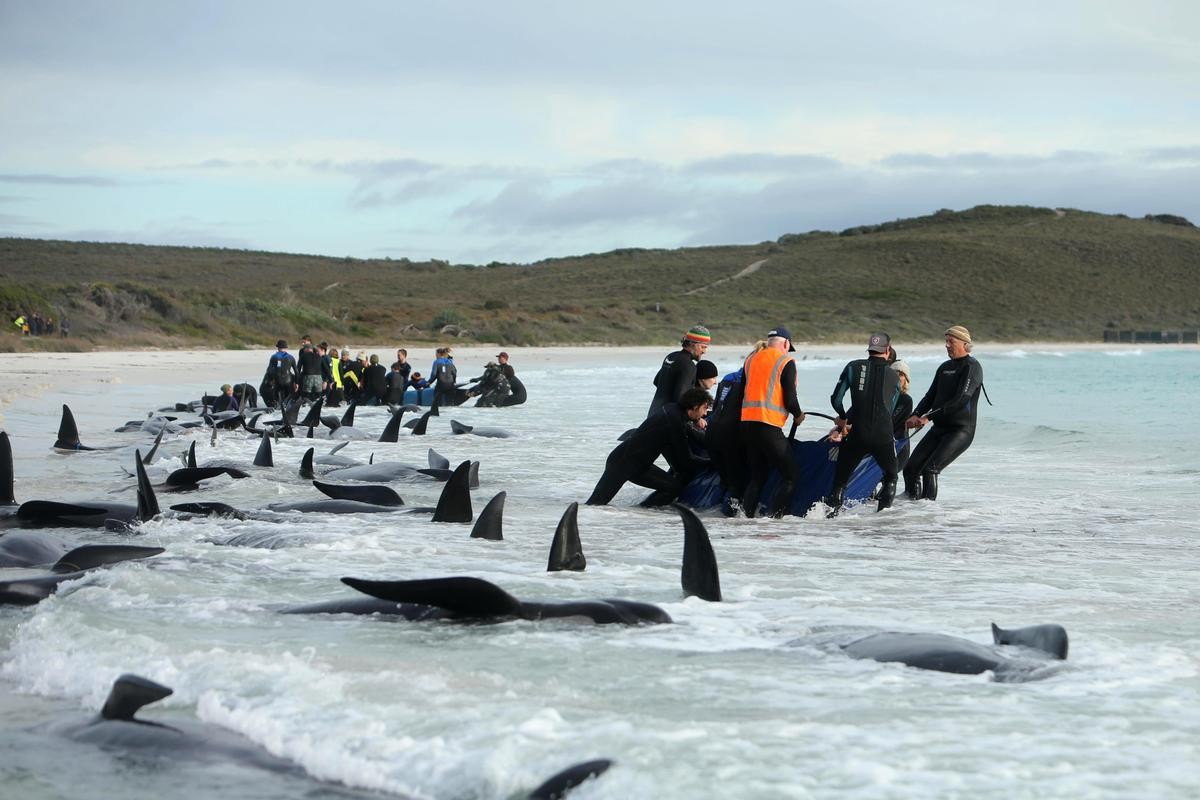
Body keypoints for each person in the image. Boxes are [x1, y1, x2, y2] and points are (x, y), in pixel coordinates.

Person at [586, 387, 713, 506]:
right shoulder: (674, 422)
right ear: (695, 406)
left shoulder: (673, 409)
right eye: (705, 408)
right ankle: (639, 512)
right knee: (595, 505)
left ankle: (640, 514)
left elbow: (691, 434)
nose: (705, 413)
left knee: (672, 488)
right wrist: (713, 462)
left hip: (638, 464)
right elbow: (687, 459)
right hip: (622, 464)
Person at [823, 333, 903, 515]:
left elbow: (836, 399)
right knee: (891, 477)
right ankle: (881, 521)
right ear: (888, 350)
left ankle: (829, 522)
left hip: (857, 435)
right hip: (883, 436)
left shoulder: (853, 367)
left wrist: (842, 418)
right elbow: (889, 410)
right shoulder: (894, 376)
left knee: (840, 482)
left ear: (869, 349)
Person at [903, 325, 985, 501]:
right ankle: (909, 511)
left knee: (930, 469)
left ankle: (927, 514)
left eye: (951, 341)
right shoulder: (944, 367)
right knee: (910, 469)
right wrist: (916, 414)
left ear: (965, 343)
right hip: (939, 429)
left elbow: (961, 399)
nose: (947, 345)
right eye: (946, 341)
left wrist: (928, 417)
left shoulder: (972, 367)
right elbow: (930, 396)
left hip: (960, 430)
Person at [739, 326, 805, 518]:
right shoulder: (785, 361)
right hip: (767, 426)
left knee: (757, 477)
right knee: (791, 476)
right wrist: (798, 415)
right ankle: (774, 519)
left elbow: (741, 391)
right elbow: (790, 399)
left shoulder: (751, 359)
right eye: (788, 347)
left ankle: (744, 518)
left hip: (746, 426)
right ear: (786, 343)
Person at [646, 325, 711, 418]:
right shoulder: (689, 365)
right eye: (703, 347)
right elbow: (681, 398)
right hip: (668, 419)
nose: (704, 351)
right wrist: (697, 419)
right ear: (692, 344)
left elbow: (656, 381)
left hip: (653, 413)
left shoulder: (671, 356)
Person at [890, 360, 915, 471]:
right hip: (879, 444)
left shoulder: (906, 400)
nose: (897, 377)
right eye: (894, 373)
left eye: (900, 375)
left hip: (898, 446)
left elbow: (892, 422)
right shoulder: (879, 398)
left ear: (906, 380)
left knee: (889, 478)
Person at [261, 339, 298, 408]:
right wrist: (297, 383)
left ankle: (276, 407)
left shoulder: (274, 357)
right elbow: (296, 371)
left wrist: (270, 381)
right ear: (286, 348)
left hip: (278, 381)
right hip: (288, 381)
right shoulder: (291, 357)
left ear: (278, 348)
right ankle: (287, 409)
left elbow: (270, 370)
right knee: (288, 399)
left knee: (276, 398)